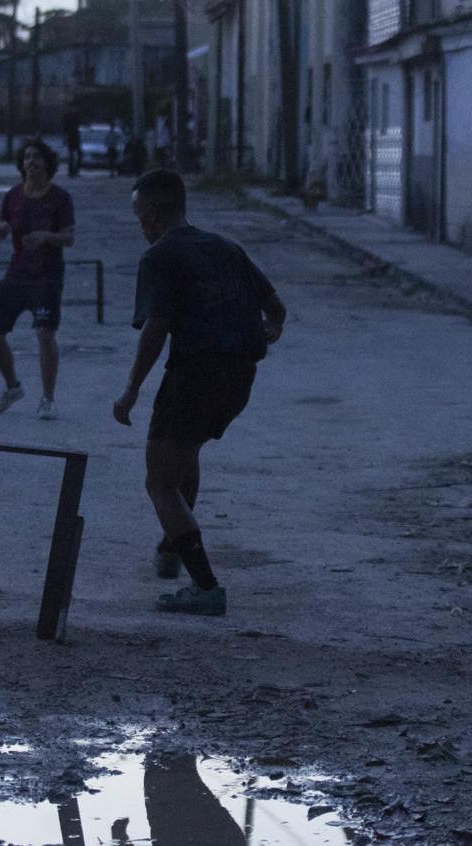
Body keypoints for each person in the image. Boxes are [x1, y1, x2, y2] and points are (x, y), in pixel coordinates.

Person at [113, 169, 287, 615]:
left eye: (138, 217)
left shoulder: (160, 257)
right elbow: (276, 308)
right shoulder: (226, 248)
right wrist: (269, 330)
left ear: (151, 213)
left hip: (196, 373)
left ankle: (206, 587)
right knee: (185, 453)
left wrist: (131, 389)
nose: (139, 227)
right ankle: (172, 549)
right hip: (239, 378)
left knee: (160, 482)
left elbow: (156, 328)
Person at [0, 139, 76, 420]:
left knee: (45, 334)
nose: (31, 162)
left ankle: (48, 399)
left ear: (48, 164)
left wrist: (47, 237)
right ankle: (12, 386)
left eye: (37, 157)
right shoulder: (13, 196)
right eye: (26, 158)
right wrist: (2, 228)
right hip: (17, 274)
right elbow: (5, 222)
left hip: (47, 277)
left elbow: (69, 237)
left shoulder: (60, 198)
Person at [62, 108, 83, 178]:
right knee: (75, 155)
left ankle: (72, 171)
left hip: (72, 139)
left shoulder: (68, 119)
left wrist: (65, 139)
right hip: (74, 139)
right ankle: (74, 170)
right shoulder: (74, 119)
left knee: (72, 156)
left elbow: (64, 129)